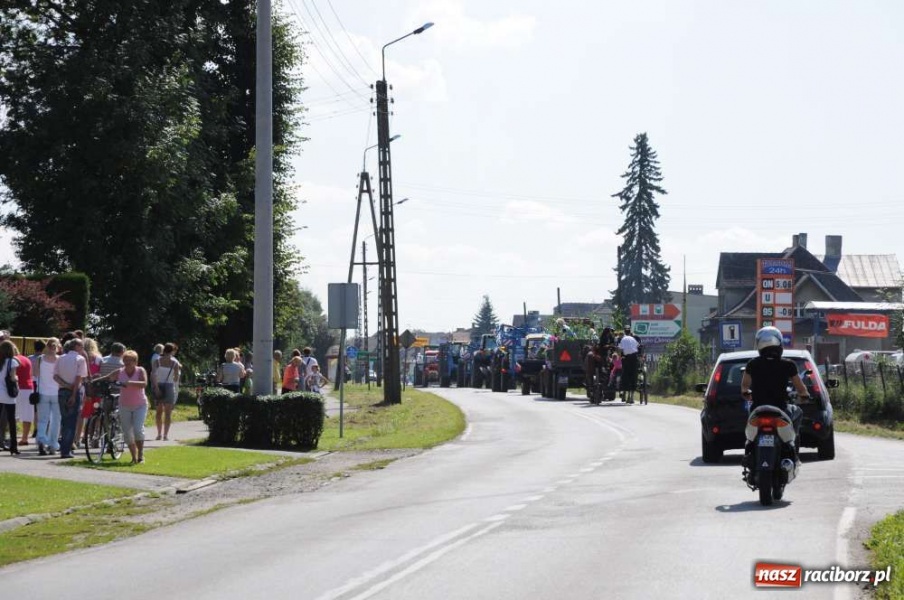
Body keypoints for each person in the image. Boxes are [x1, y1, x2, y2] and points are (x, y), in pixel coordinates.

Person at [741, 326, 809, 465]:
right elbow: (801, 388)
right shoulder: (789, 365)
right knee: (798, 412)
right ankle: (794, 451)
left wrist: (747, 394)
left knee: (750, 434)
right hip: (781, 409)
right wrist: (804, 395)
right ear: (779, 343)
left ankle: (750, 451)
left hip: (758, 409)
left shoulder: (752, 364)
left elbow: (744, 387)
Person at [96, 350, 148, 464]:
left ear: (135, 361)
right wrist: (94, 380)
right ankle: (134, 457)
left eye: (130, 360)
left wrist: (129, 382)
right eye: (125, 360)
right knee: (127, 432)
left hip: (140, 405)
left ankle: (140, 455)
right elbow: (108, 377)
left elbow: (144, 383)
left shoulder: (140, 371)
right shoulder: (119, 372)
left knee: (138, 430)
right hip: (124, 405)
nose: (127, 363)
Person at [54, 338, 88, 459]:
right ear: (77, 347)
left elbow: (55, 376)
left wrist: (65, 385)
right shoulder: (80, 359)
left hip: (62, 391)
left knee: (64, 420)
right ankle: (66, 450)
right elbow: (79, 378)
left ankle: (64, 447)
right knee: (71, 422)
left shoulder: (61, 358)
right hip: (74, 392)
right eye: (82, 346)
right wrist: (73, 393)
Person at [35, 338, 62, 455]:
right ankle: (53, 445)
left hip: (42, 392)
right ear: (57, 347)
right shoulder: (60, 360)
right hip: (57, 392)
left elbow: (35, 374)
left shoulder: (40, 359)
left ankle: (41, 440)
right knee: (56, 420)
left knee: (43, 419)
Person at [75, 338, 103, 448]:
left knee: (82, 414)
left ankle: (78, 437)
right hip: (95, 389)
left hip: (83, 388)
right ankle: (94, 436)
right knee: (96, 413)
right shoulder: (99, 359)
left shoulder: (79, 358)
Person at [152, 343, 180, 441]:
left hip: (158, 385)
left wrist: (156, 388)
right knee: (168, 413)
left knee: (159, 412)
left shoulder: (157, 361)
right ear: (172, 351)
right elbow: (176, 378)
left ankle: (159, 434)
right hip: (169, 386)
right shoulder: (175, 363)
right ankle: (165, 435)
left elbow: (153, 375)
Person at [0, 340, 22, 455]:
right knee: (11, 420)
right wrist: (17, 378)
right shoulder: (12, 362)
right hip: (8, 395)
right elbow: (13, 378)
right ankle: (14, 446)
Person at [618, 327, 640, 404]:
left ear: (624, 332)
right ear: (630, 332)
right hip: (634, 358)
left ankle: (624, 393)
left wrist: (620, 355)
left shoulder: (623, 339)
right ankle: (631, 397)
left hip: (626, 359)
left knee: (625, 375)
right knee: (634, 375)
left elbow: (620, 349)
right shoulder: (633, 339)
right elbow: (638, 346)